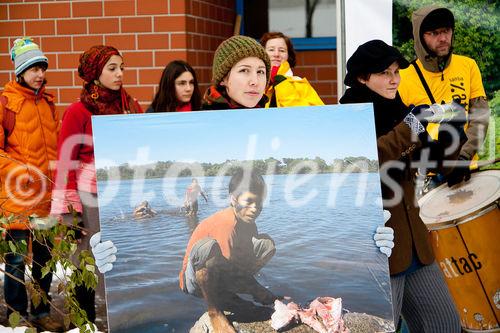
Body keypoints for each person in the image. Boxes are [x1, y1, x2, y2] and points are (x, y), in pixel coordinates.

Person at [340, 40, 462, 332]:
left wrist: (453, 139)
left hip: (416, 245)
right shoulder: (347, 116)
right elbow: (369, 158)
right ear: (362, 78)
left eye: (396, 71)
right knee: (381, 329)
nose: (394, 78)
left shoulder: (402, 111)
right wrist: (411, 125)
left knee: (446, 325)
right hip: (379, 251)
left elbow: (432, 162)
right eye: (385, 72)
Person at [50, 45, 141, 324]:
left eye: (122, 67)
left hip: (121, 192)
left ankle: (126, 318)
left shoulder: (130, 106)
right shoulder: (78, 111)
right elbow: (66, 159)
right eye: (112, 68)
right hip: (88, 197)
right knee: (86, 259)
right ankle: (85, 322)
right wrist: (69, 209)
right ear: (94, 74)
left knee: (121, 256)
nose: (119, 74)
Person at [0, 37, 63, 332]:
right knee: (14, 262)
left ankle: (40, 313)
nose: (40, 74)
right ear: (20, 71)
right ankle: (16, 318)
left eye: (42, 67)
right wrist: (19, 170)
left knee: (43, 260)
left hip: (45, 200)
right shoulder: (6, 103)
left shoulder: (49, 104)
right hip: (16, 199)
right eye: (33, 68)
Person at [398, 5, 490, 188]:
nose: (442, 38)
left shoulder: (468, 66)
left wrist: (463, 156)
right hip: (426, 178)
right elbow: (402, 133)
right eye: (433, 33)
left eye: (446, 31)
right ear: (420, 37)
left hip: (466, 168)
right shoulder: (402, 77)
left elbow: (480, 118)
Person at [179, 168, 277, 332]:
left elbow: (235, 264)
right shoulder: (226, 223)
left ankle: (227, 295)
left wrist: (260, 292)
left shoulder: (249, 224)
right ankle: (214, 312)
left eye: (258, 203)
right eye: (249, 202)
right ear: (233, 199)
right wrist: (256, 288)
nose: (254, 208)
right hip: (194, 280)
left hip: (223, 271)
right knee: (207, 248)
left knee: (266, 245)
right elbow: (224, 267)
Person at [202, 35, 270, 110]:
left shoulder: (273, 117)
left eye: (260, 71)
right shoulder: (202, 120)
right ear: (223, 79)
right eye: (244, 70)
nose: (255, 81)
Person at [259, 31, 324, 107]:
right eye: (271, 50)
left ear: (288, 56)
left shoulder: (299, 83)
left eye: (282, 50)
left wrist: (283, 84)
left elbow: (316, 113)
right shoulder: (254, 84)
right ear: (262, 53)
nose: (276, 54)